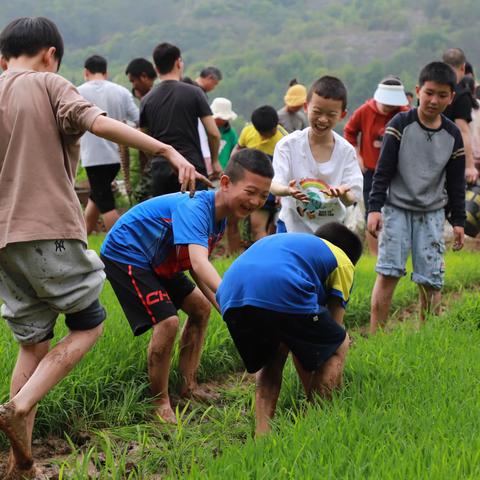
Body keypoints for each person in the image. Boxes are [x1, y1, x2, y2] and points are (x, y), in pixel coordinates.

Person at [0, 16, 207, 479]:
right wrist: (168, 151)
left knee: (32, 346)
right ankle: (20, 404)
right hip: (47, 229)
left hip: (3, 243)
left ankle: (20, 462)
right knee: (89, 325)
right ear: (52, 54)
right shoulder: (50, 83)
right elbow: (101, 125)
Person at [100, 149, 273, 424]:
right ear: (226, 183)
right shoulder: (196, 207)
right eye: (250, 191)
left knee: (201, 309)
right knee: (167, 322)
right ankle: (160, 401)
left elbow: (195, 267)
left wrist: (227, 309)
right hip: (127, 252)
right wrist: (235, 298)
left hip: (160, 259)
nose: (255, 201)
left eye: (263, 196)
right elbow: (199, 261)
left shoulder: (220, 215)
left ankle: (188, 387)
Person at [216, 222, 363, 436]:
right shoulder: (342, 260)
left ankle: (262, 437)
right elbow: (332, 329)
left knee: (272, 359)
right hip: (282, 286)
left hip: (231, 294)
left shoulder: (292, 244)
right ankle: (318, 426)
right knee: (338, 343)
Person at [368, 62, 466, 335]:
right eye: (430, 93)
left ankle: (427, 336)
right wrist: (374, 208)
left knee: (431, 279)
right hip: (397, 208)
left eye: (442, 95)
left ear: (451, 98)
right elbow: (383, 171)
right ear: (418, 91)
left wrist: (458, 221)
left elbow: (456, 183)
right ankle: (378, 337)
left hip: (431, 212)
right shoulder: (400, 124)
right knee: (388, 272)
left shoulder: (452, 135)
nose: (434, 100)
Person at [271, 76, 363, 234]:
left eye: (331, 114)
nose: (322, 119)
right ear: (306, 107)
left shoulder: (346, 151)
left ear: (342, 115)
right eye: (317, 112)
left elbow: (351, 197)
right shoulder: (288, 145)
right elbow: (273, 184)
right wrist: (287, 190)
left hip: (330, 232)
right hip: (290, 226)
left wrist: (343, 192)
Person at [140, 43, 221, 196]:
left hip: (160, 170)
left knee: (166, 218)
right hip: (191, 167)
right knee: (195, 216)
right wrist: (215, 161)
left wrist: (156, 158)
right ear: (178, 62)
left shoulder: (146, 100)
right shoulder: (194, 93)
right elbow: (213, 133)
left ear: (156, 69)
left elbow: (143, 139)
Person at [343, 76, 409, 254]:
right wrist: (357, 154)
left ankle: (397, 252)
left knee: (397, 210)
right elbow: (349, 131)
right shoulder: (365, 111)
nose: (389, 108)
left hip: (398, 171)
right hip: (371, 170)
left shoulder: (404, 113)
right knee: (372, 211)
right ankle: (375, 255)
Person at [78, 55, 140, 234]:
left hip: (93, 157)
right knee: (97, 197)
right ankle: (83, 237)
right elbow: (138, 119)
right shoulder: (121, 91)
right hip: (115, 156)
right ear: (106, 72)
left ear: (86, 72)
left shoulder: (77, 92)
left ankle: (122, 243)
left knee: (105, 203)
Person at [233, 106, 288, 241]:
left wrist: (282, 191)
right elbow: (238, 149)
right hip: (253, 185)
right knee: (257, 227)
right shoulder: (248, 131)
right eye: (263, 133)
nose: (267, 136)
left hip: (275, 187)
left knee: (271, 228)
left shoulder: (285, 139)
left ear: (277, 125)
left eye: (270, 132)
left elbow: (290, 168)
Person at [442, 48, 478, 184]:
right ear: (463, 67)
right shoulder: (461, 95)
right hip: (451, 156)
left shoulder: (429, 90)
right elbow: (463, 130)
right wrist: (469, 165)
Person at [125, 58, 158, 203]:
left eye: (133, 81)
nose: (133, 85)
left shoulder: (154, 99)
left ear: (144, 77)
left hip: (158, 161)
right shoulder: (153, 98)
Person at [210, 97, 241, 254]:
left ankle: (232, 252)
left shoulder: (231, 134)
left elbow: (235, 153)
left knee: (230, 218)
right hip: (207, 176)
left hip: (223, 177)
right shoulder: (205, 129)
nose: (221, 121)